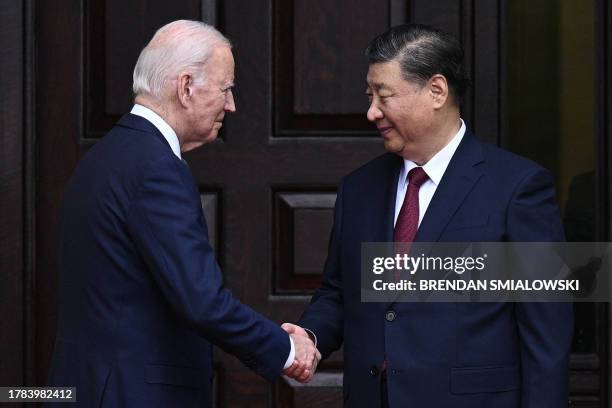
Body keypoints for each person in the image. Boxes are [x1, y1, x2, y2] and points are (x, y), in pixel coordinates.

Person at [283, 24, 573, 407]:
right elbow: (338, 291)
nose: (371, 112)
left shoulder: (517, 187)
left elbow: (546, 331)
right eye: (369, 96)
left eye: (383, 96)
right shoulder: (359, 189)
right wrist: (310, 336)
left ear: (436, 91)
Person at [46, 20, 318, 407]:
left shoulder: (106, 156)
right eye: (226, 89)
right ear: (186, 86)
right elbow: (201, 300)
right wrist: (287, 350)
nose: (231, 104)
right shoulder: (155, 167)